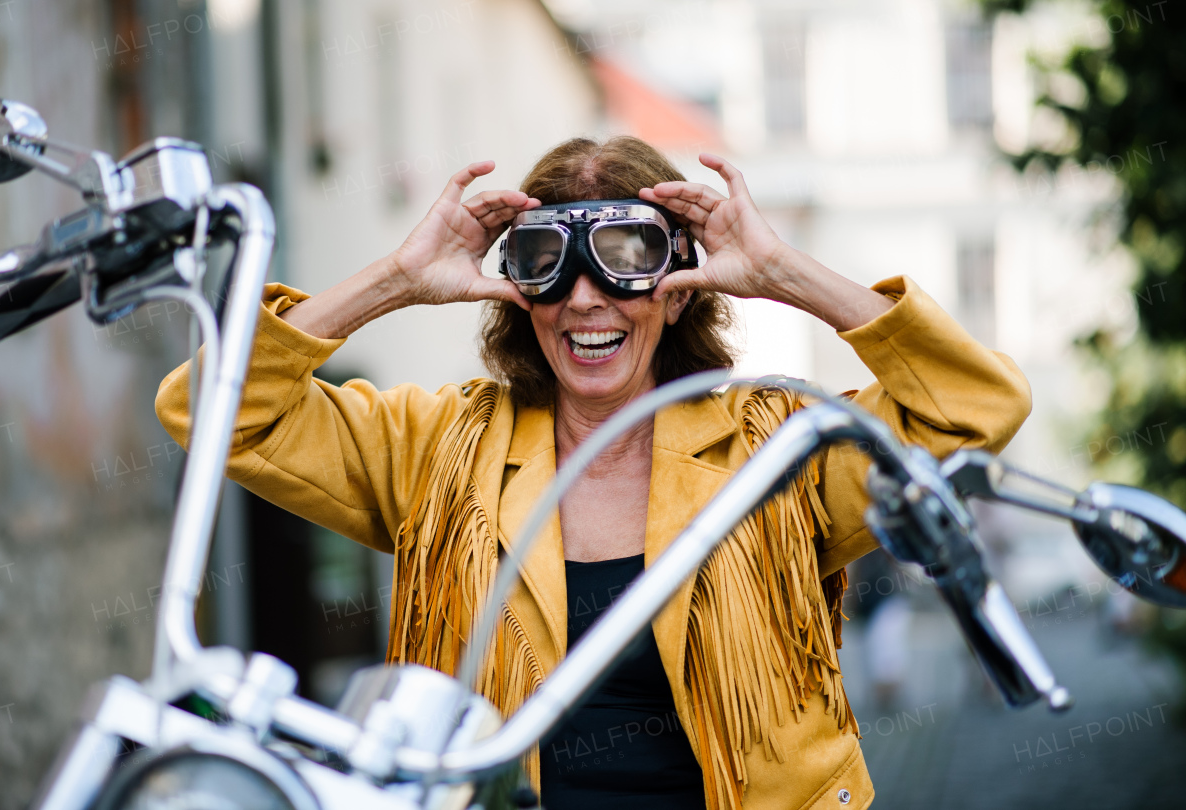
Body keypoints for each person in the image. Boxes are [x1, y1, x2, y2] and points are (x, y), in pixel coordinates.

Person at [155, 136, 1031, 810]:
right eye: (546, 264)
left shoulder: (782, 452)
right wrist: (396, 280)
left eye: (628, 260)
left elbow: (973, 403)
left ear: (678, 287)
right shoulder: (435, 448)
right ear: (518, 292)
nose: (584, 298)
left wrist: (783, 273)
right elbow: (211, 408)